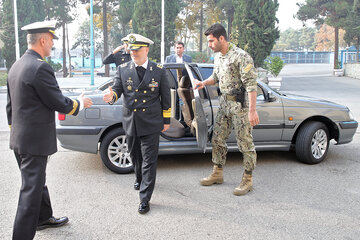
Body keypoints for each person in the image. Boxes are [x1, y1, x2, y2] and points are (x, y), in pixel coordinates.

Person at [6, 20, 93, 240]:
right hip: (34, 142)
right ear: (43, 39)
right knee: (30, 192)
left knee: (36, 182)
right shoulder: (40, 67)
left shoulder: (17, 65)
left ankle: (43, 218)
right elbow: (58, 102)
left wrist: (15, 131)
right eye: (52, 40)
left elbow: (10, 105)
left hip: (20, 139)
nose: (52, 45)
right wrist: (80, 103)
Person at [103, 34, 171, 214]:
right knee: (135, 157)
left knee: (149, 160)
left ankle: (144, 198)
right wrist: (112, 97)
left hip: (151, 121)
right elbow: (117, 89)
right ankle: (140, 178)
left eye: (137, 49)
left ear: (146, 50)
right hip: (131, 121)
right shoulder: (123, 69)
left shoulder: (158, 69)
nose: (133, 52)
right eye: (131, 49)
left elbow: (166, 96)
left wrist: (166, 120)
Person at [194, 23, 259, 196]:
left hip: (239, 107)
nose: (209, 45)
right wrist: (203, 83)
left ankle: (247, 179)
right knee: (217, 139)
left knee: (245, 143)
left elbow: (252, 86)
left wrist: (252, 111)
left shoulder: (241, 56)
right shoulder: (218, 57)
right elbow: (215, 77)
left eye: (211, 41)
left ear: (221, 38)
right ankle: (217, 173)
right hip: (224, 104)